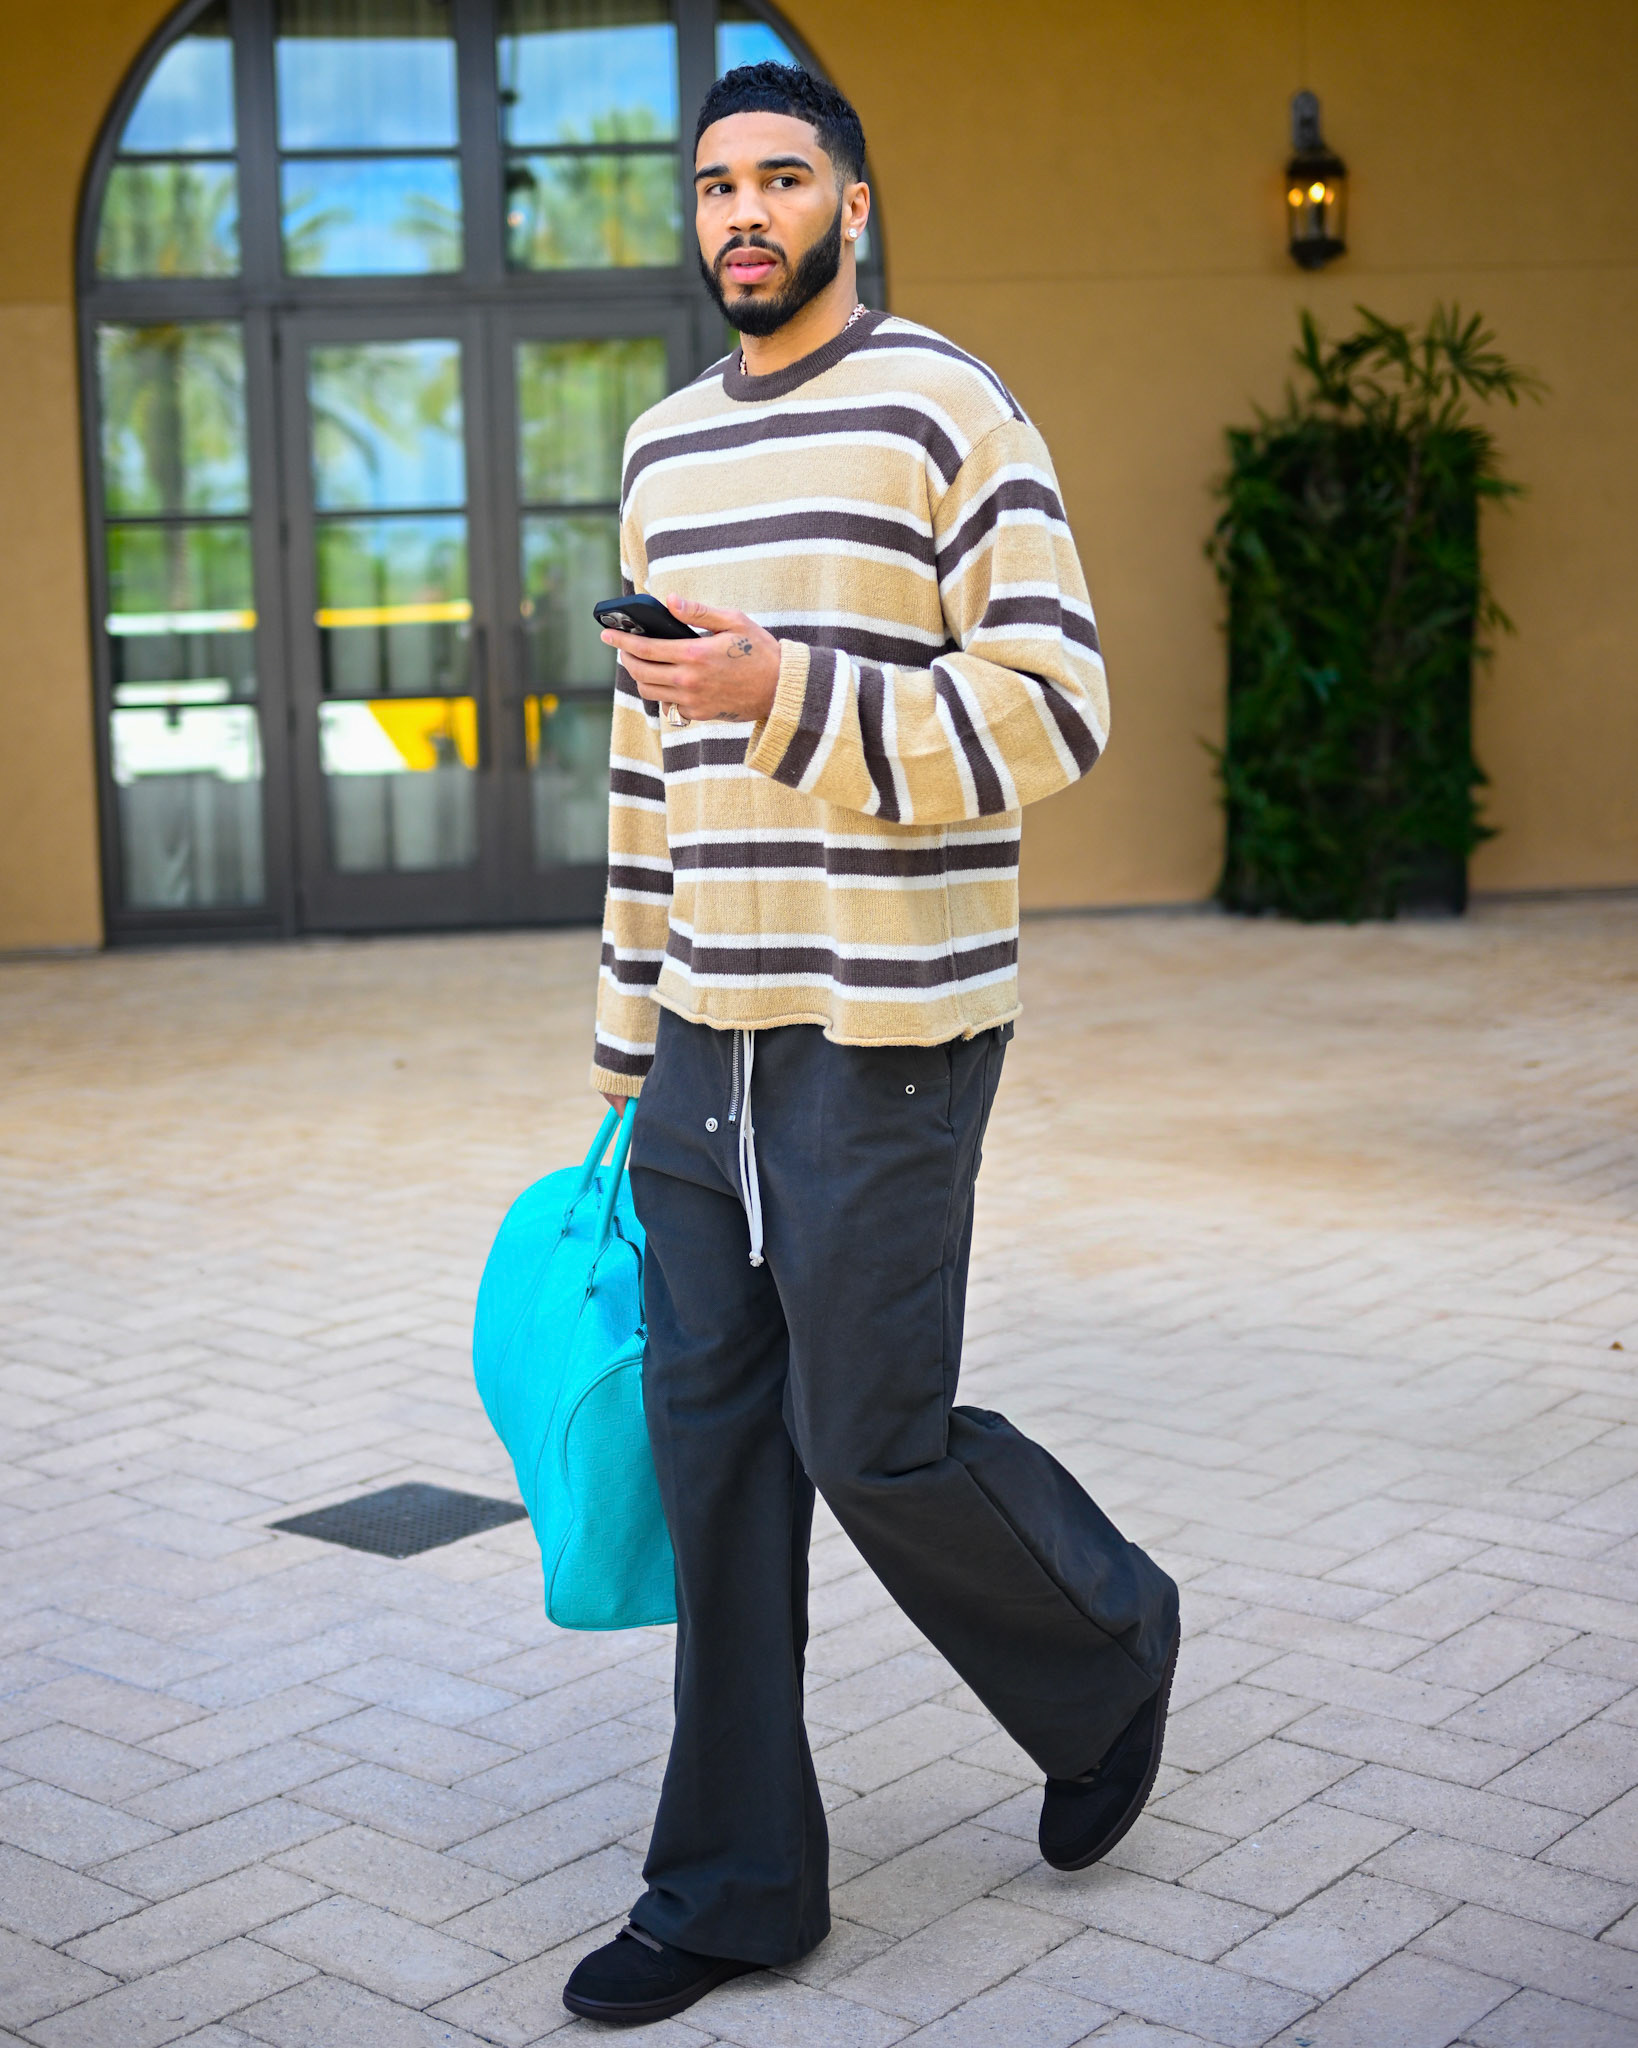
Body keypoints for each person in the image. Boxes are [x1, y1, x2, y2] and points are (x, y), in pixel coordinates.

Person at [562, 61, 1180, 2030]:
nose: (744, 210)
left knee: (868, 1436)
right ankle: (736, 1885)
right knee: (718, 1454)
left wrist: (790, 684)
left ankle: (1108, 1642)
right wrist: (620, 1021)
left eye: (782, 177)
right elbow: (650, 761)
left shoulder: (950, 406)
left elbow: (1057, 705)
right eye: (715, 185)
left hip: (891, 1021)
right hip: (706, 1035)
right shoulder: (661, 449)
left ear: (853, 201)